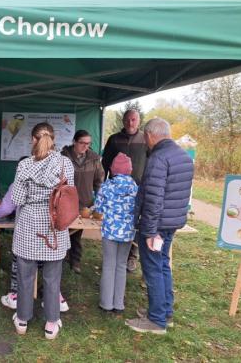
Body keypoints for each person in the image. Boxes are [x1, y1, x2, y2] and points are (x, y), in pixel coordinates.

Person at [125, 118, 193, 335]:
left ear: (149, 135)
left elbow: (154, 198)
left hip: (157, 225)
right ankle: (165, 312)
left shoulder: (159, 158)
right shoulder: (183, 156)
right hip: (171, 222)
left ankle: (156, 320)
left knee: (153, 268)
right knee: (163, 265)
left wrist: (149, 230)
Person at [11, 123, 75, 340]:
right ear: (53, 139)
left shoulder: (25, 165)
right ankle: (51, 323)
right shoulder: (65, 163)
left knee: (25, 276)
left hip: (29, 225)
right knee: (52, 278)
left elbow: (17, 199)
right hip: (55, 225)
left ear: (33, 139)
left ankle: (22, 320)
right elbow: (69, 194)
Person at [0, 159, 69, 313]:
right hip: (51, 230)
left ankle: (16, 296)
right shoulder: (58, 181)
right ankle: (55, 299)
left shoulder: (20, 183)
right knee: (50, 266)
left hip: (29, 229)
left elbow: (7, 208)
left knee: (20, 261)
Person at [101, 109, 148, 272]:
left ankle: (132, 256)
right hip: (117, 190)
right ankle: (114, 254)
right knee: (118, 221)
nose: (130, 123)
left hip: (138, 188)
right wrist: (103, 185)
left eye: (133, 119)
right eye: (127, 119)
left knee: (135, 221)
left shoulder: (145, 139)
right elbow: (105, 164)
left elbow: (151, 162)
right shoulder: (114, 139)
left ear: (139, 121)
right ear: (123, 121)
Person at [94, 153, 138, 313]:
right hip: (127, 232)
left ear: (113, 170)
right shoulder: (135, 187)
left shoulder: (107, 186)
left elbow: (98, 209)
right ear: (129, 170)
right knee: (121, 265)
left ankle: (106, 304)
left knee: (109, 265)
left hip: (110, 231)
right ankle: (119, 304)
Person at [61, 129, 105, 273]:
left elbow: (99, 181)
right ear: (74, 142)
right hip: (65, 202)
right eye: (82, 143)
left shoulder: (94, 159)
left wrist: (99, 202)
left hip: (84, 204)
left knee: (77, 234)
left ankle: (75, 261)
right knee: (63, 232)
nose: (86, 146)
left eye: (88, 143)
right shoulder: (63, 157)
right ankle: (61, 258)